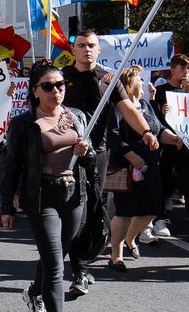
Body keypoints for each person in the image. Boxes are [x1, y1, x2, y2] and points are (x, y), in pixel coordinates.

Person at [0, 61, 90, 312]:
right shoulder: (24, 124)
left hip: (74, 194)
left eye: (61, 84)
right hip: (43, 197)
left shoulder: (77, 117)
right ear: (35, 91)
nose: (56, 91)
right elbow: (11, 165)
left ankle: (34, 292)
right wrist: (6, 202)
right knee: (55, 265)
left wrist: (86, 152)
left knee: (58, 255)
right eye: (48, 86)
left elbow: (95, 158)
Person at [60, 28, 156, 295]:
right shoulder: (61, 78)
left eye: (91, 45)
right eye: (81, 45)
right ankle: (69, 266)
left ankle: (81, 265)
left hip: (98, 153)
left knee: (93, 210)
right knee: (71, 210)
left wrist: (146, 131)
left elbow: (127, 110)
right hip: (66, 153)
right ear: (73, 50)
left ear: (99, 49)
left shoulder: (109, 79)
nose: (86, 50)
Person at [107, 66, 183, 268]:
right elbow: (112, 135)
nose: (146, 84)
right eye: (141, 80)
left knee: (151, 208)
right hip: (126, 165)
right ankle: (116, 254)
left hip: (150, 164)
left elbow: (158, 130)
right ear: (131, 84)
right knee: (124, 211)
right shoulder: (116, 107)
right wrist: (130, 155)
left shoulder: (145, 105)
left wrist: (173, 138)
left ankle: (131, 238)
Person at [154, 53, 189, 240]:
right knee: (164, 182)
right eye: (183, 68)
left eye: (188, 69)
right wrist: (161, 111)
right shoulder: (161, 91)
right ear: (173, 70)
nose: (186, 72)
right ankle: (159, 219)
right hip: (167, 145)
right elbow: (154, 120)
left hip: (185, 146)